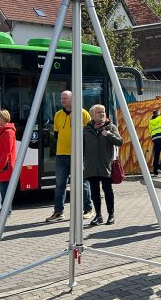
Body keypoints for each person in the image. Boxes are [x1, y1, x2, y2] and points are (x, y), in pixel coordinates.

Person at [47, 90, 94, 222]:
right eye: (62, 98)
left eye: (65, 98)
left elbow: (89, 135)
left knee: (82, 183)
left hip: (78, 155)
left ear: (73, 99)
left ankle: (88, 210)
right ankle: (58, 212)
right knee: (60, 185)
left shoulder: (83, 113)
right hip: (61, 154)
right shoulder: (57, 115)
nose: (62, 100)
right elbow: (56, 134)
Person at [83, 104, 122, 226]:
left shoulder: (110, 127)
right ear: (92, 115)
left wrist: (109, 134)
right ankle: (98, 215)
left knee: (107, 190)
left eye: (103, 112)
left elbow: (120, 142)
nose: (102, 114)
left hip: (106, 166)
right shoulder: (86, 129)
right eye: (99, 112)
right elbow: (81, 148)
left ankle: (111, 215)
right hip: (91, 166)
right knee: (94, 192)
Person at [148, 109, 161, 176]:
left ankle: (155, 172)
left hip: (155, 139)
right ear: (159, 114)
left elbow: (150, 131)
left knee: (156, 155)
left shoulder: (150, 122)